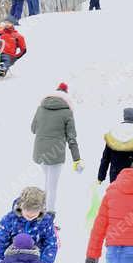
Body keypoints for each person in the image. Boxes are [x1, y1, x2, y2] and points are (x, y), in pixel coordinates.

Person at [31, 82, 83, 216]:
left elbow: (33, 129)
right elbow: (71, 138)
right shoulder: (67, 112)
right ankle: (49, 216)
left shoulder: (40, 108)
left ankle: (42, 212)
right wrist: (77, 159)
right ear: (66, 96)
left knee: (47, 182)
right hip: (55, 154)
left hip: (40, 153)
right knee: (52, 186)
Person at [98, 107, 133, 185]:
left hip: (116, 177)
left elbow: (105, 159)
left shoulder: (113, 134)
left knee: (117, 196)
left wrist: (100, 177)